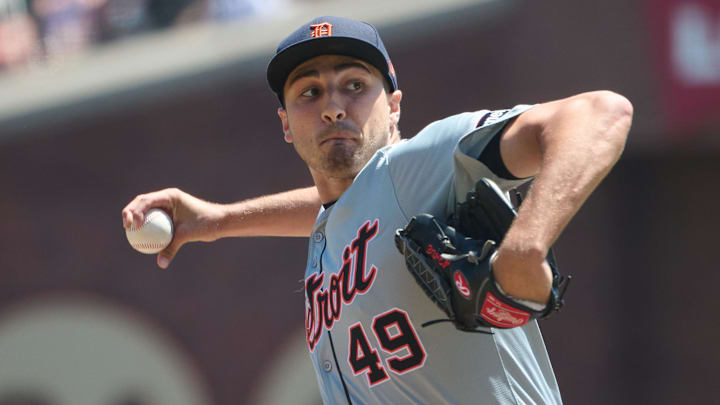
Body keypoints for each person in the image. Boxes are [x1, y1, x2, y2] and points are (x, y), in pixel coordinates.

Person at [122, 16, 632, 404]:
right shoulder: (348, 214)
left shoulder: (416, 164)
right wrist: (216, 221)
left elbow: (599, 113)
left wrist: (526, 244)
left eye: (355, 85)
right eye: (310, 92)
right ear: (285, 124)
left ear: (393, 107)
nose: (333, 106)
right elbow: (338, 209)